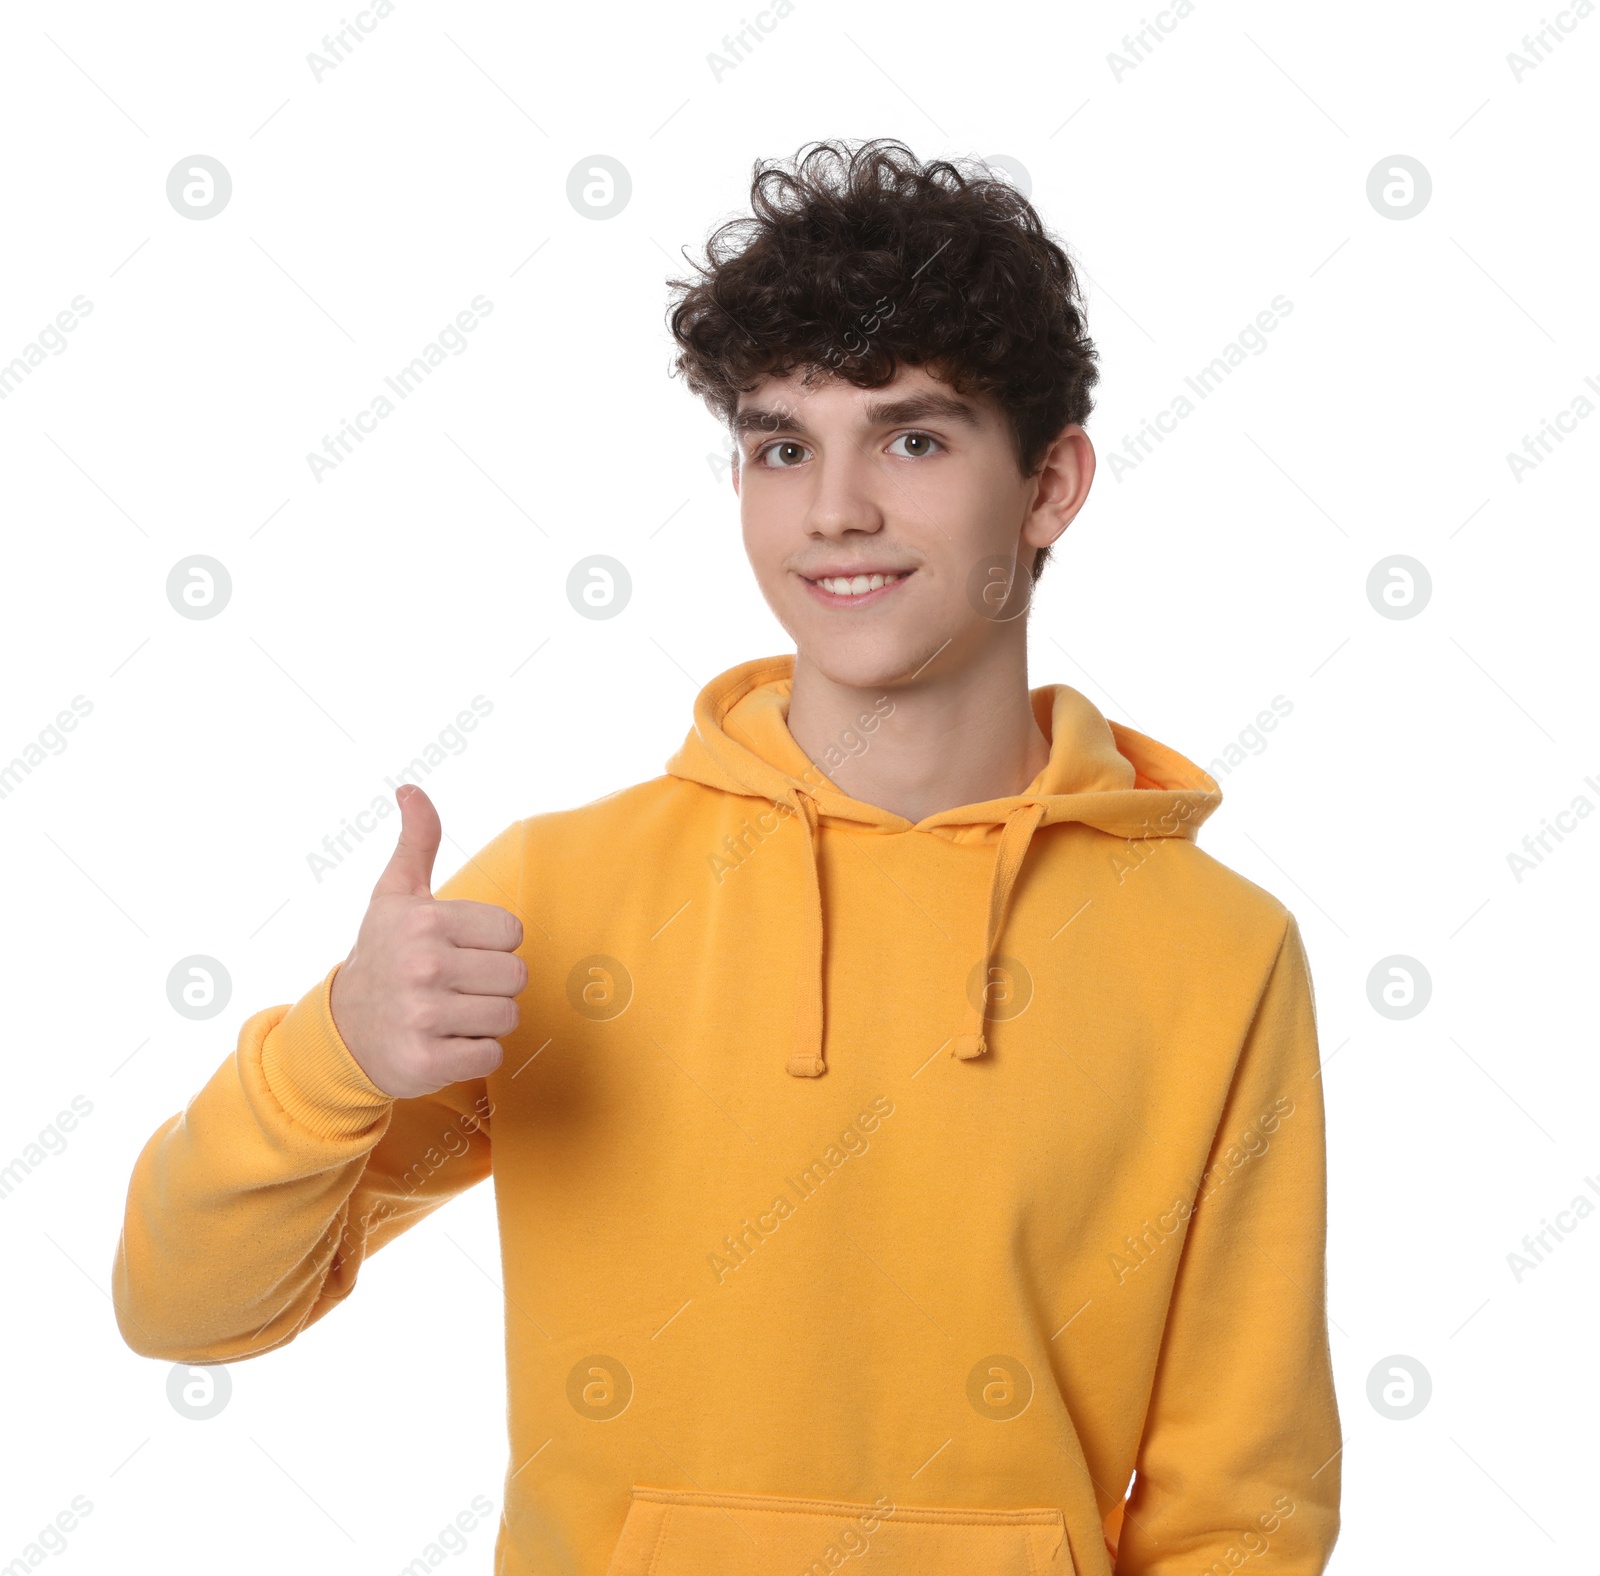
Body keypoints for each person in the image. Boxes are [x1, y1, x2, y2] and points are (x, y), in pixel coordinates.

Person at [114, 137, 1340, 1575]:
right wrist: (335, 1047)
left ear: (1052, 486)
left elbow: (1239, 1503)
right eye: (781, 446)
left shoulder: (1214, 947)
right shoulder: (559, 895)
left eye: (915, 438)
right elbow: (182, 1310)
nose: (832, 512)